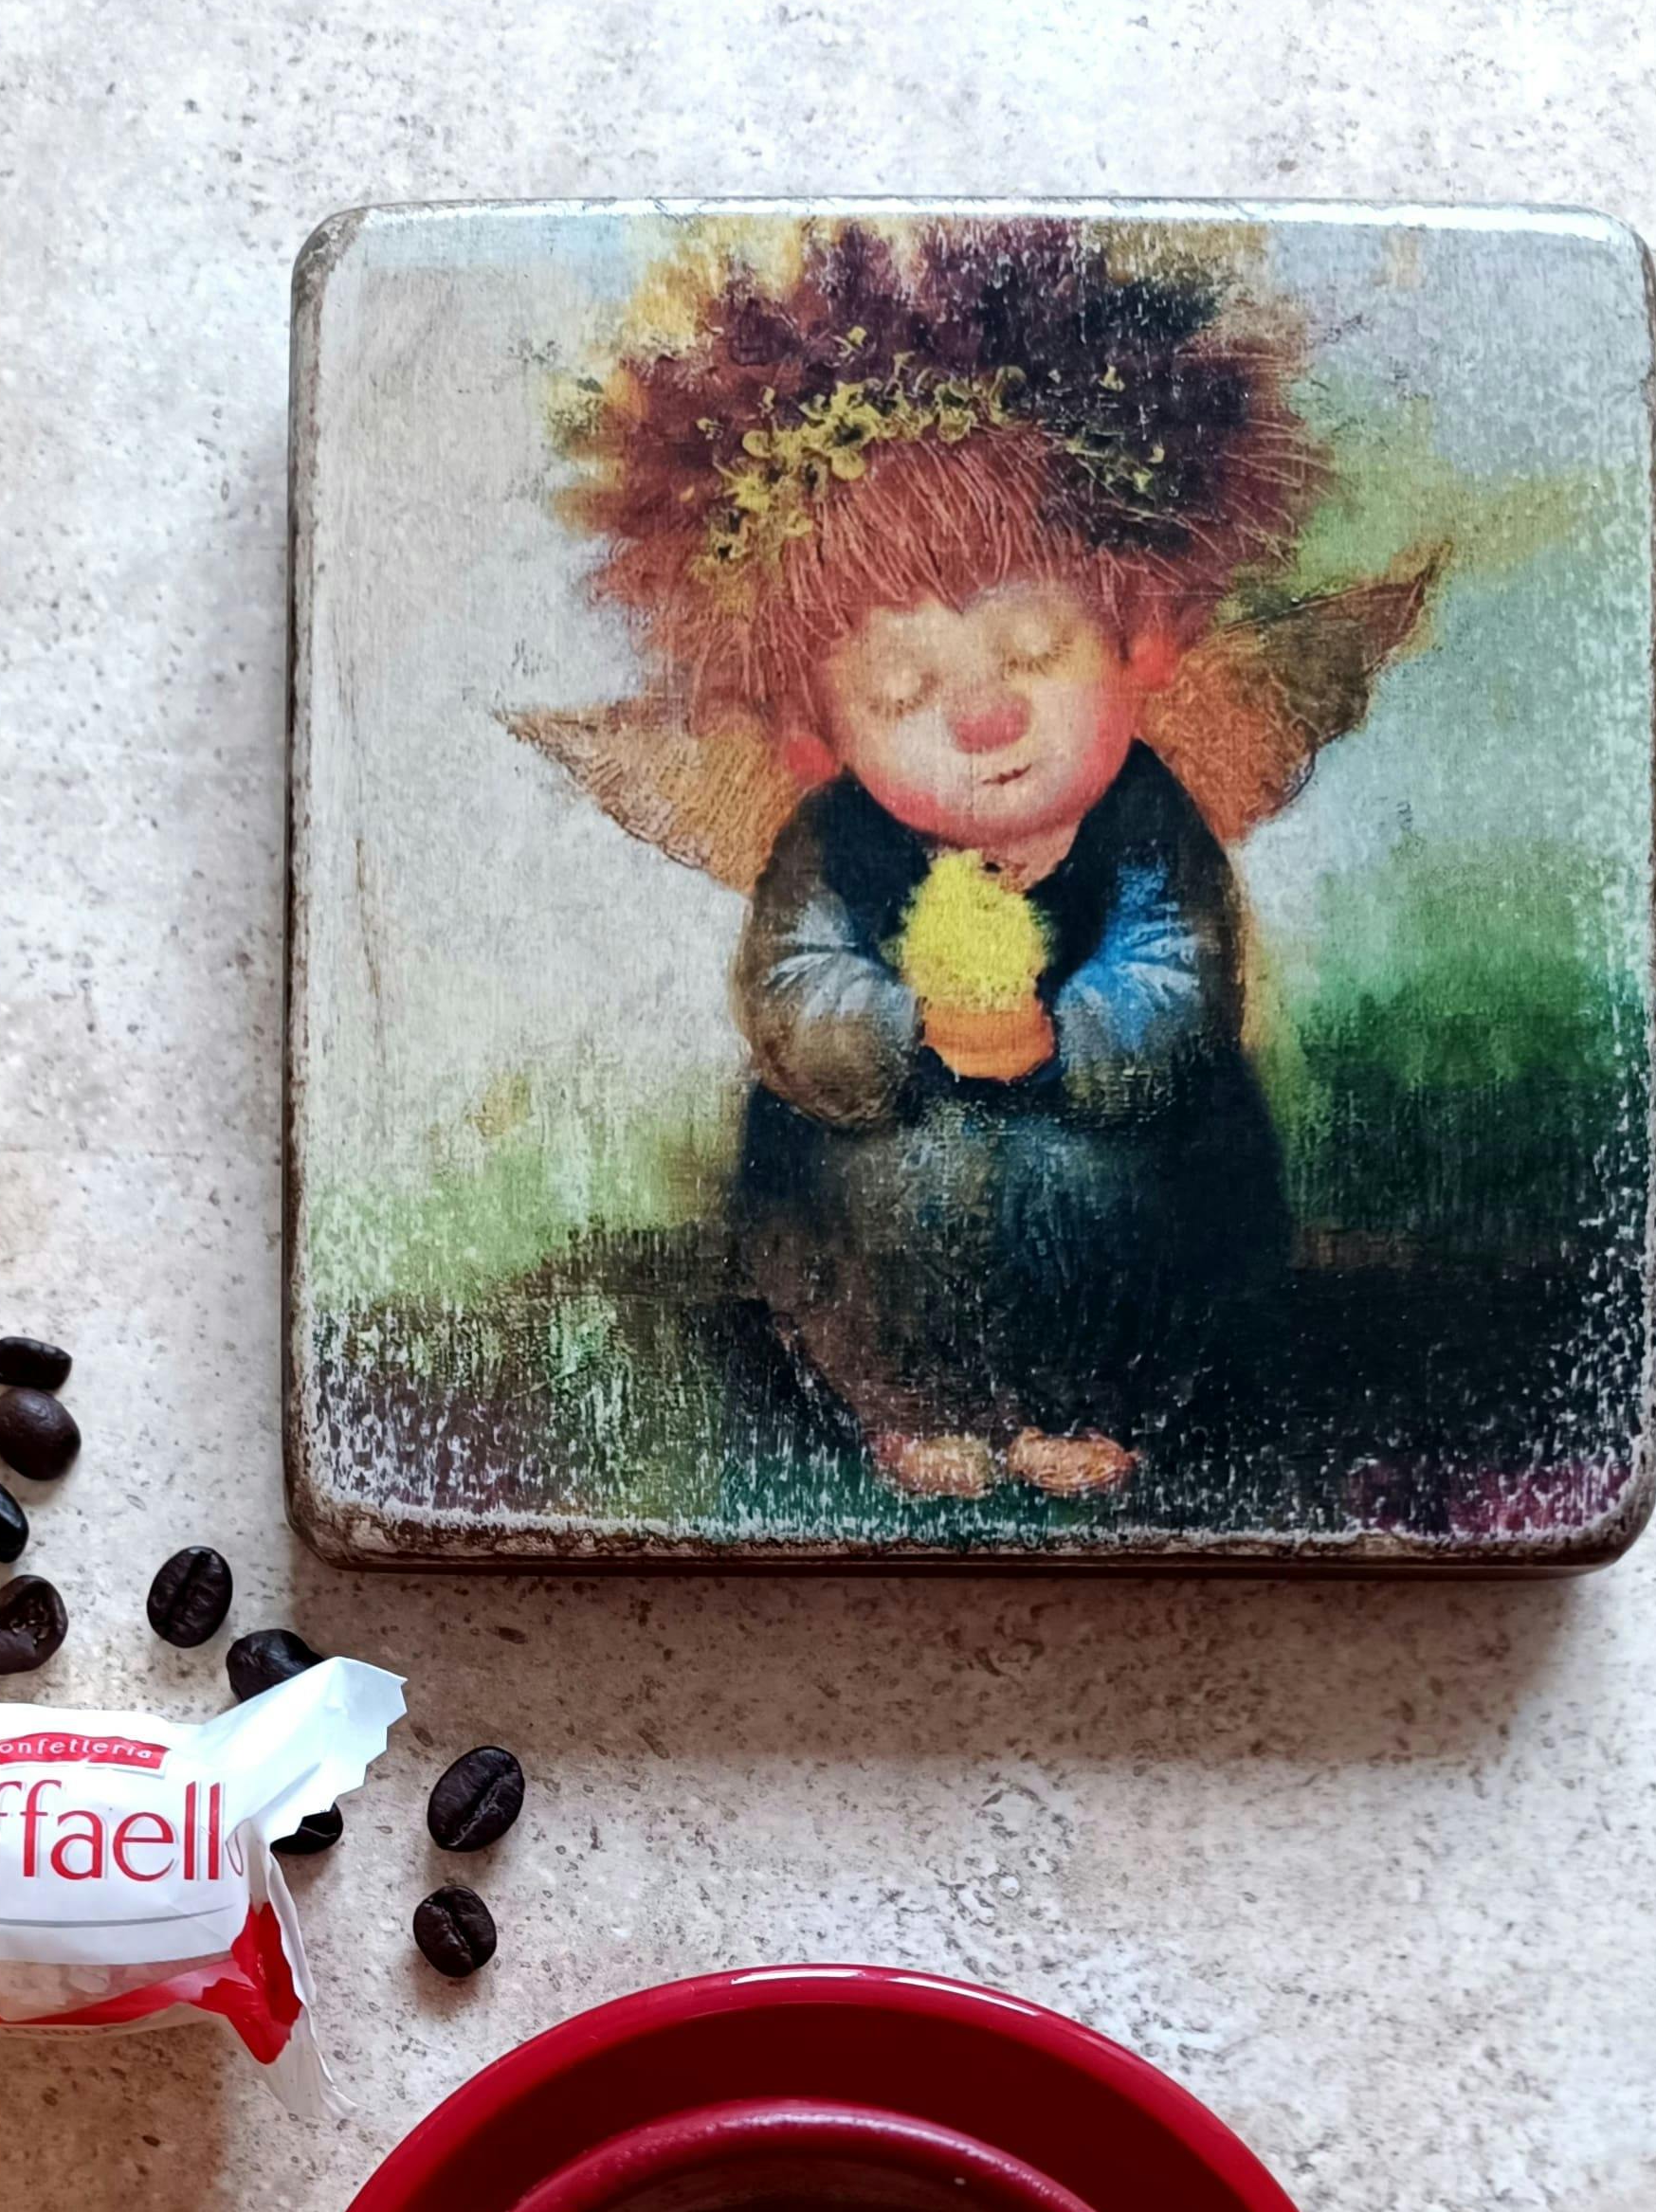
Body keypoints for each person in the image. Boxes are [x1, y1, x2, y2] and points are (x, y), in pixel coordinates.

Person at [548, 221, 1333, 1501]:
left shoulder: (1143, 821)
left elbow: (1184, 974)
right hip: (887, 1160)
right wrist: (900, 1027)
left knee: (1134, 1181)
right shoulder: (837, 843)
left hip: (1118, 1151)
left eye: (1031, 654)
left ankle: (1102, 1402)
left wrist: (1074, 1032)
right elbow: (792, 987)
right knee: (874, 1185)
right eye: (909, 686)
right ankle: (911, 1404)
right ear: (817, 736)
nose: (987, 717)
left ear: (1135, 649)